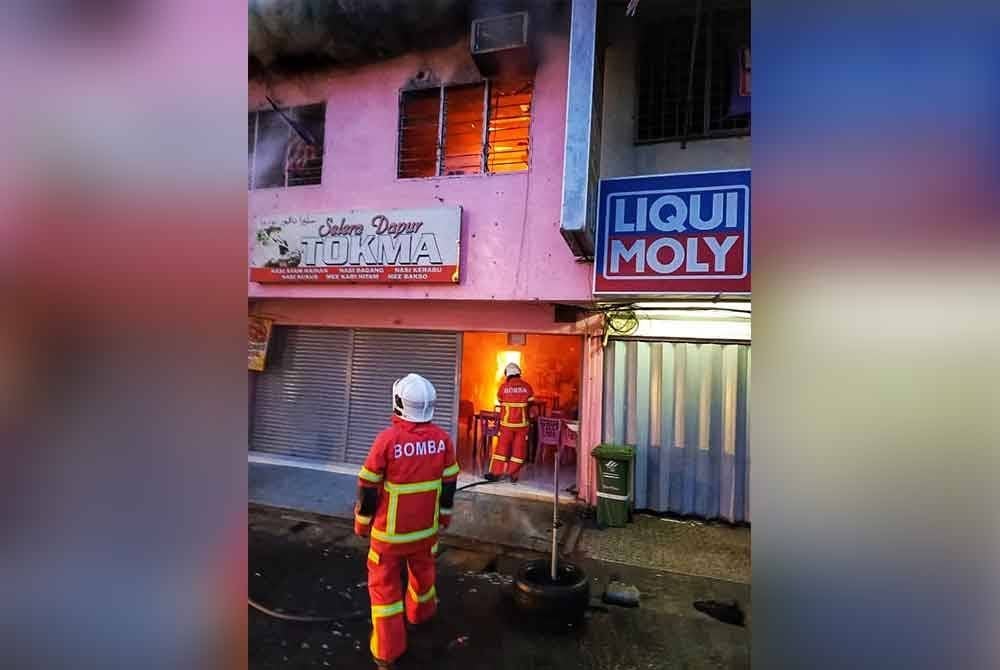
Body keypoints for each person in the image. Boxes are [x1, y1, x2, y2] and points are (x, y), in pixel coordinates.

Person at [354, 373, 459, 669]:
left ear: (399, 403)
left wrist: (362, 524)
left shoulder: (387, 439)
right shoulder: (442, 439)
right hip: (426, 533)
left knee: (385, 589)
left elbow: (368, 486)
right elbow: (449, 483)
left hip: (389, 536)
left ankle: (387, 652)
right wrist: (445, 518)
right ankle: (421, 616)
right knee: (423, 576)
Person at [485, 362, 535, 482]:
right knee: (518, 450)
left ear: (507, 375)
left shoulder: (503, 387)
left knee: (501, 450)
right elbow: (531, 403)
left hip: (506, 424)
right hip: (522, 425)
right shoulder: (527, 387)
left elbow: (500, 400)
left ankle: (496, 473)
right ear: (519, 374)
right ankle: (513, 475)